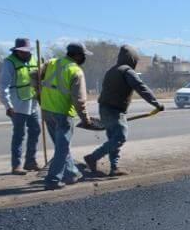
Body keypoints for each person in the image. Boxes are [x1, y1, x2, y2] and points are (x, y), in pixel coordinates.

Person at [84, 45, 164, 177]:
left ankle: (114, 167)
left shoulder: (111, 70)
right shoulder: (127, 71)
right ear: (132, 59)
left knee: (113, 138)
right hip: (114, 110)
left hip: (104, 108)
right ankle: (93, 157)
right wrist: (156, 104)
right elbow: (141, 88)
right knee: (120, 137)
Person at [39, 42, 93, 190]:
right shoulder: (75, 71)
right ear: (76, 55)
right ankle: (53, 179)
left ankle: (70, 173)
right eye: (83, 55)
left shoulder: (52, 62)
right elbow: (79, 100)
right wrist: (86, 119)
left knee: (61, 146)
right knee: (62, 149)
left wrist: (39, 95)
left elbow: (33, 75)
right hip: (63, 113)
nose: (84, 58)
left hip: (47, 110)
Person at [0, 37, 42, 175]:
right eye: (22, 51)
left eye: (27, 51)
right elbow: (3, 85)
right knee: (19, 134)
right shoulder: (9, 62)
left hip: (32, 103)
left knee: (35, 130)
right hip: (17, 104)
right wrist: (7, 105)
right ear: (16, 51)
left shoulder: (35, 60)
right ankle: (16, 165)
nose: (25, 53)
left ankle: (30, 161)